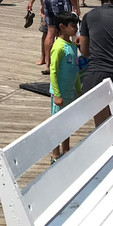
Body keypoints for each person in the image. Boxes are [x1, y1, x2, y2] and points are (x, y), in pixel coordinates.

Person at [49, 11, 82, 158]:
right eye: (73, 26)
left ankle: (66, 150)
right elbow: (53, 71)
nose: (76, 29)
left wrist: (79, 89)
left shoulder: (73, 46)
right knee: (57, 124)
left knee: (67, 122)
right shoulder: (59, 46)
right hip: (60, 93)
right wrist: (57, 94)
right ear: (62, 27)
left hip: (70, 92)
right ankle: (55, 155)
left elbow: (75, 70)